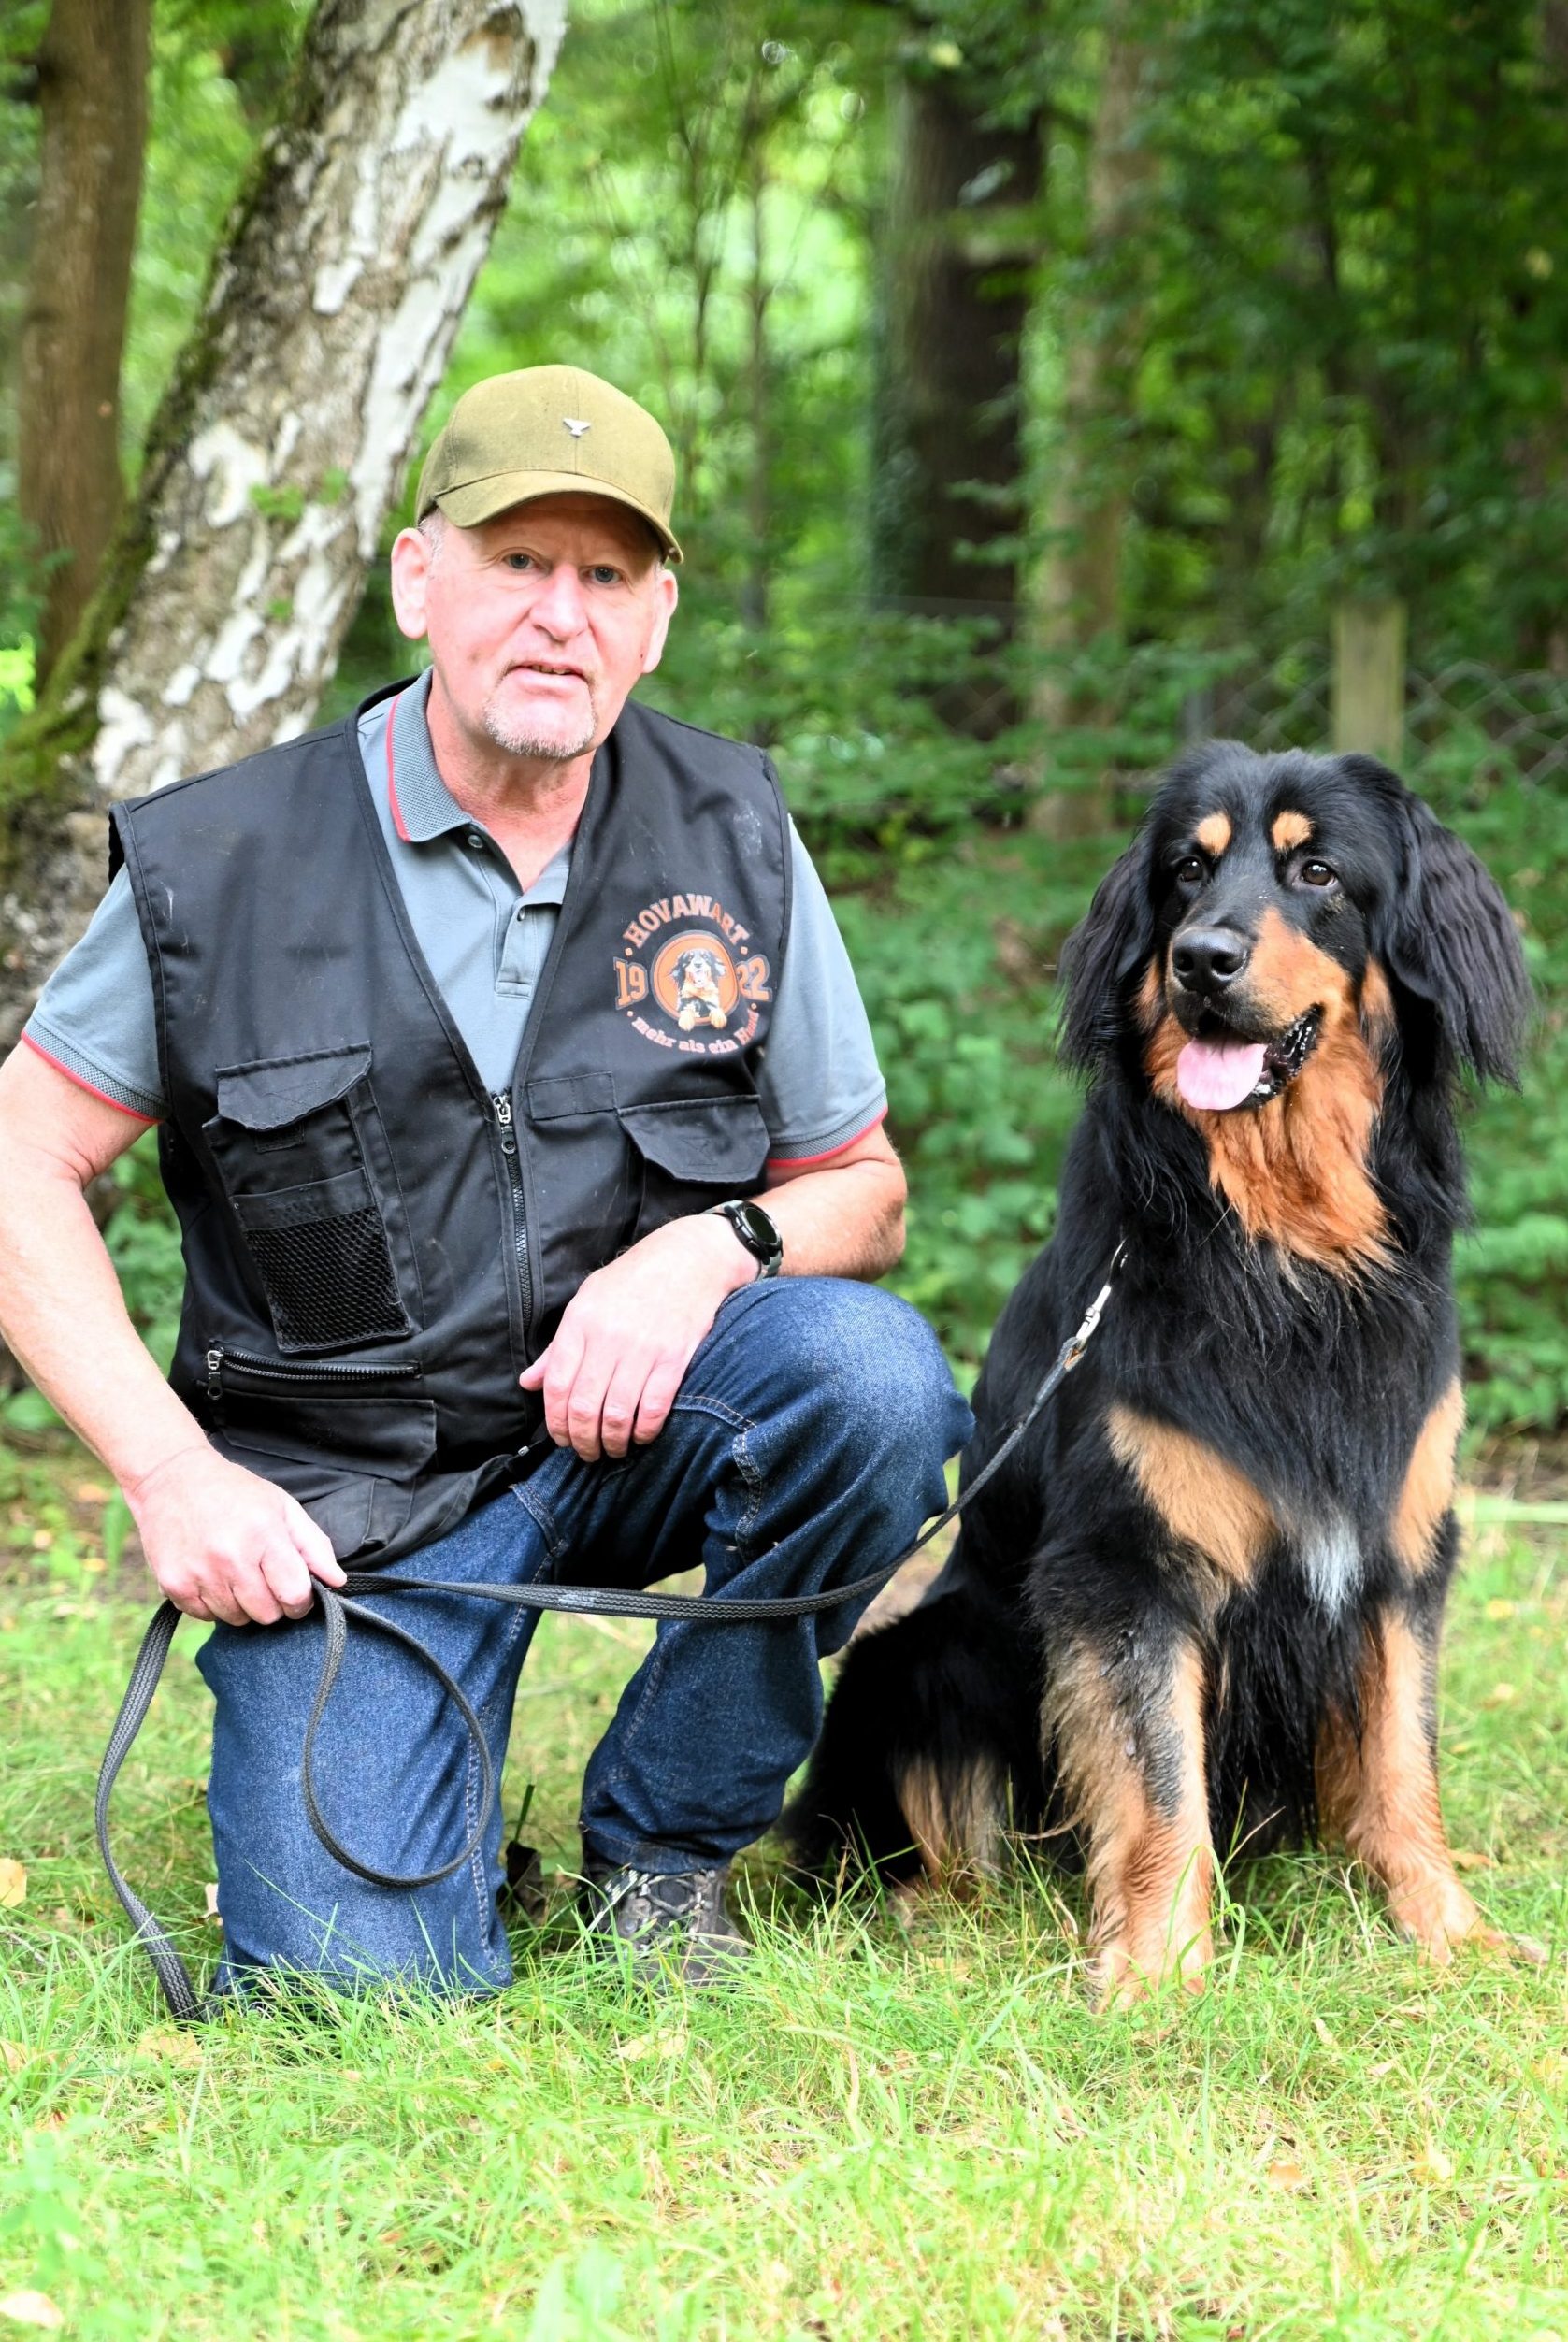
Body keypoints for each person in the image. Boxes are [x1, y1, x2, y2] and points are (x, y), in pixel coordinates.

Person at [0, 365, 971, 1994]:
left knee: (872, 1382)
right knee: (354, 1985)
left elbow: (858, 1188)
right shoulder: (225, 862)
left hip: (635, 1434)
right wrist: (171, 1475)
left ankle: (662, 1846)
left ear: (654, 617)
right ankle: (407, 1782)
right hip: (355, 1510)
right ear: (417, 576)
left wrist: (707, 1253)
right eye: (517, 561)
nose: (557, 615)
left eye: (603, 576)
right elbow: (22, 1155)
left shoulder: (732, 832)